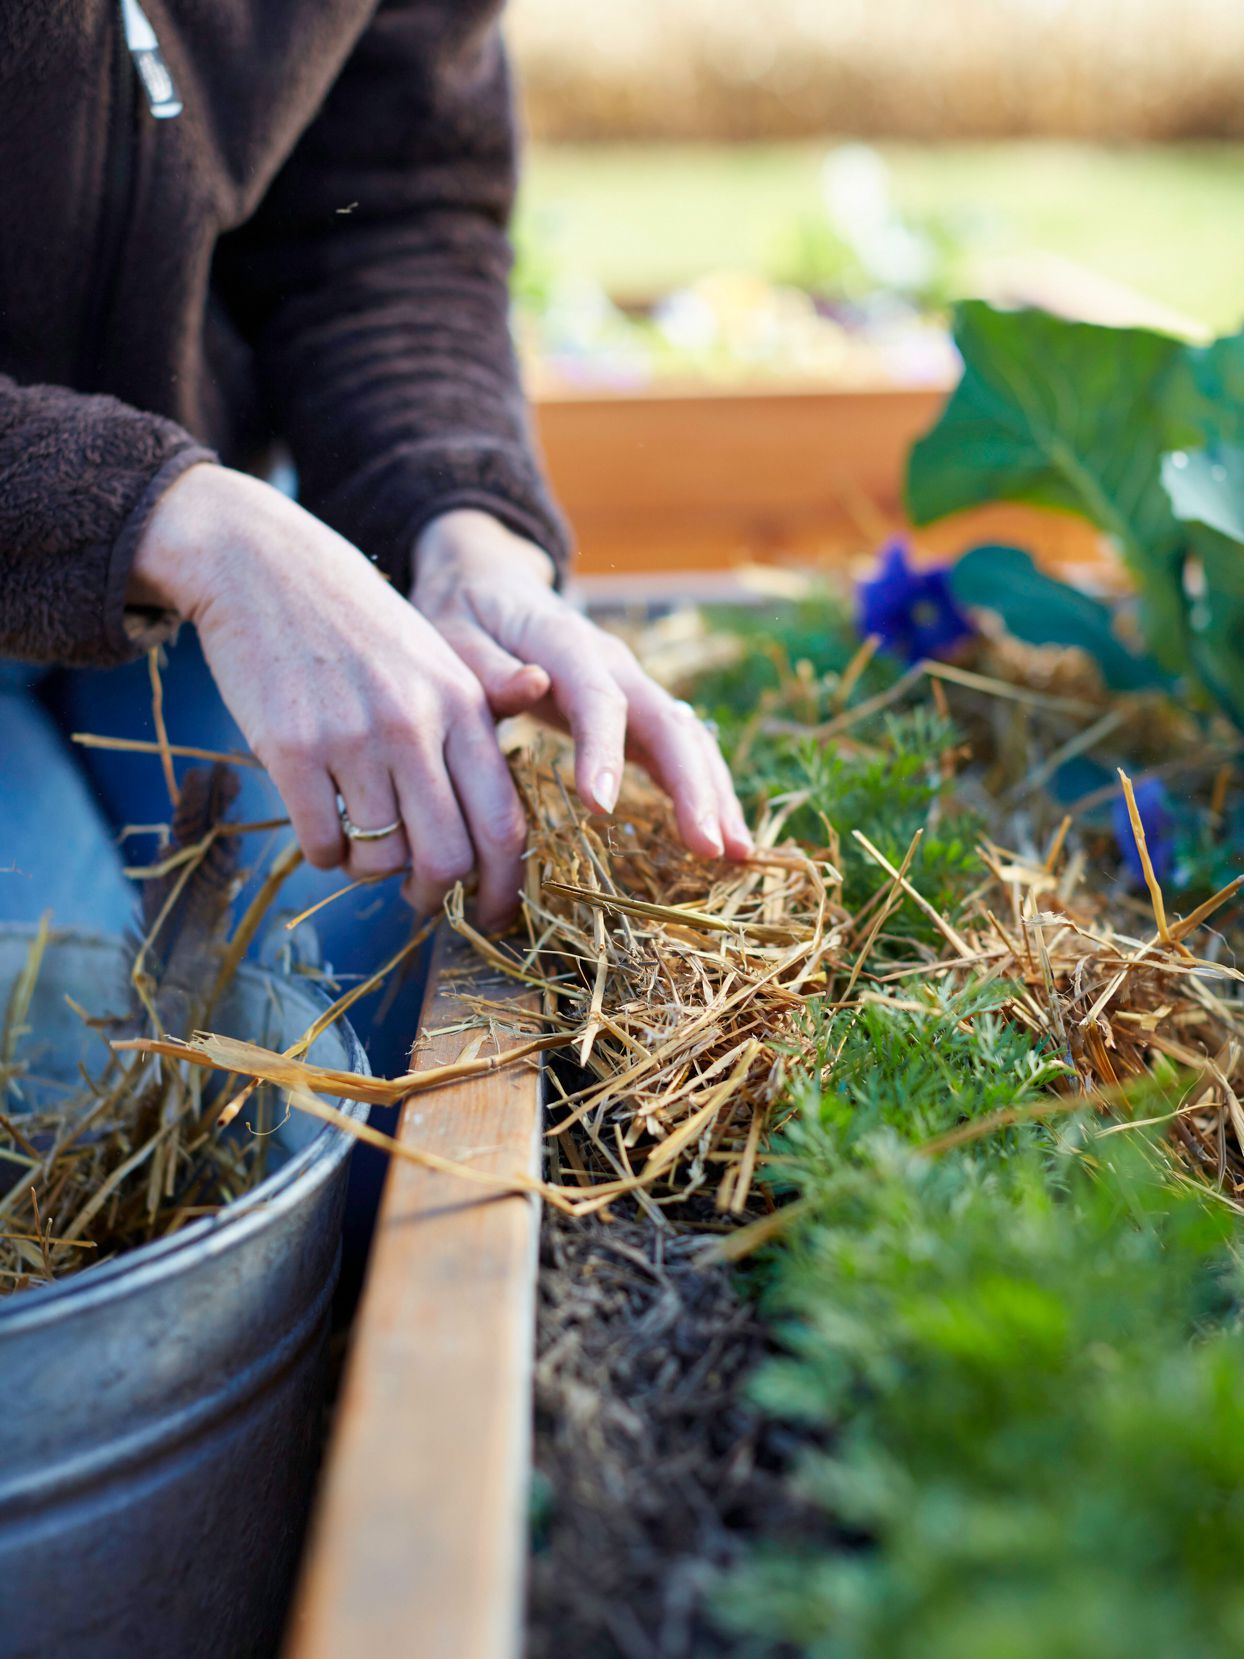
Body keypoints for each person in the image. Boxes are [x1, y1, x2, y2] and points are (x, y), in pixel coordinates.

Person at [0, 0, 752, 1078]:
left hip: (197, 563)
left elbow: (387, 213)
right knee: (57, 1077)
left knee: (369, 1000)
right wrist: (173, 518)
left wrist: (459, 526)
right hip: (168, 526)